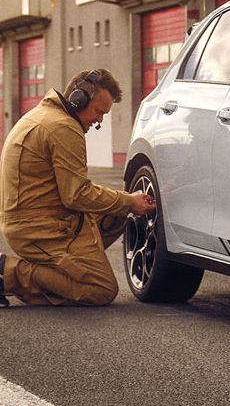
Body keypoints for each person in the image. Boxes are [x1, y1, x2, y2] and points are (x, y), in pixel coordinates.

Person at [0, 68, 155, 307]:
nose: (99, 120)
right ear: (78, 99)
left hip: (38, 220)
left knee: (117, 212)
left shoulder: (42, 115)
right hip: (41, 228)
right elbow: (77, 194)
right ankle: (8, 273)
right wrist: (130, 200)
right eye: (99, 112)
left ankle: (66, 271)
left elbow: (73, 192)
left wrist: (124, 203)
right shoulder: (64, 127)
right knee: (101, 289)